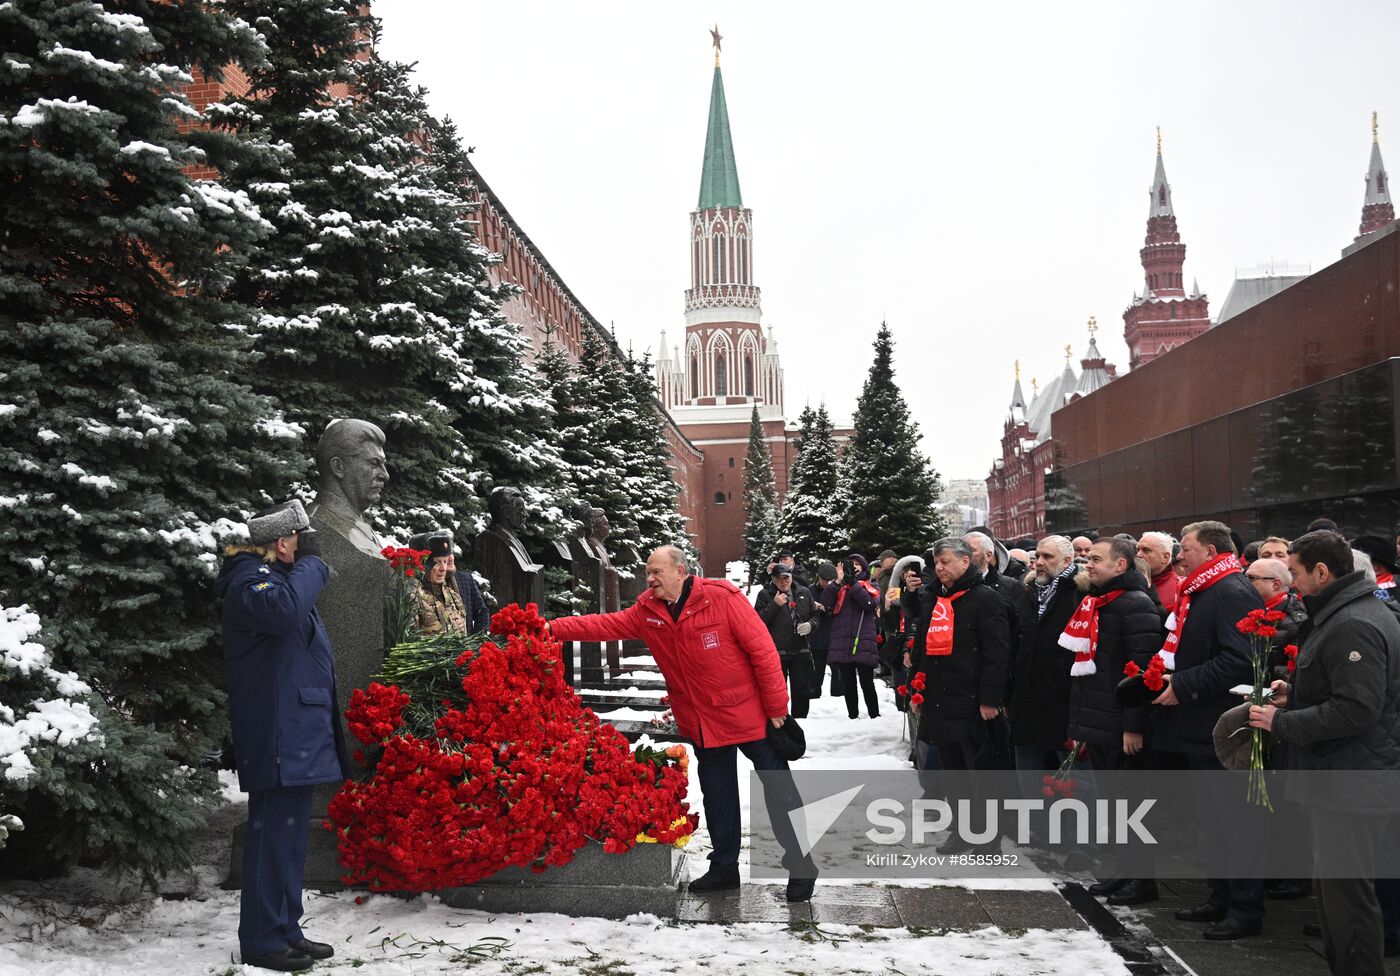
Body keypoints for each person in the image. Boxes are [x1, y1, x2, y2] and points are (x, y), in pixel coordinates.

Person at [548, 546, 817, 902]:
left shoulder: (721, 598)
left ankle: (800, 864)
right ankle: (723, 868)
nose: (650, 579)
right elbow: (604, 625)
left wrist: (776, 706)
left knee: (778, 788)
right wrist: (551, 628)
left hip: (748, 713)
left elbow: (762, 649)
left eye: (657, 571)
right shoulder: (649, 611)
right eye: (648, 572)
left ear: (681, 571)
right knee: (718, 793)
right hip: (703, 720)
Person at [1250, 530, 1400, 976]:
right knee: (1339, 896)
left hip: (1351, 781)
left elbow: (1355, 709)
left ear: (1322, 571)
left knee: (1348, 899)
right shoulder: (1344, 613)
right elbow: (1341, 689)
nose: (1290, 582)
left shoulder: (1354, 621)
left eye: (1293, 573)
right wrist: (1292, 695)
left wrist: (1282, 722)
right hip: (1345, 776)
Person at [215, 500, 349, 973]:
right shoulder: (250, 580)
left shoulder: (274, 579)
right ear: (281, 541)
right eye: (299, 541)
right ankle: (262, 940)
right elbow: (283, 612)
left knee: (288, 837)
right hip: (276, 729)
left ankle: (285, 928)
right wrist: (312, 564)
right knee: (272, 834)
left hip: (293, 727)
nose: (303, 550)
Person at [1152, 520, 1266, 940]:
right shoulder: (1203, 589)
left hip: (1221, 726)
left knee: (1236, 822)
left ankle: (1245, 909)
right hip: (1201, 725)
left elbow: (1238, 660)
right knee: (1215, 822)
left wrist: (1182, 685)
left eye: (1186, 547)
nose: (1181, 555)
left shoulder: (1230, 591)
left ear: (1212, 549)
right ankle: (1221, 897)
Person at [1064, 537, 1165, 906]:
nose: (1087, 564)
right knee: (1115, 804)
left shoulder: (1134, 604)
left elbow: (1143, 672)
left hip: (1122, 724)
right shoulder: (1099, 602)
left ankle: (1142, 879)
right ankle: (1122, 872)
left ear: (1120, 566)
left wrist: (1133, 725)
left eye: (1096, 559)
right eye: (1088, 559)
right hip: (1102, 720)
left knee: (1133, 806)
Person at [908, 537, 1011, 852]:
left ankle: (987, 838)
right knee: (954, 774)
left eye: (946, 562)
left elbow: (998, 654)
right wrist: (917, 689)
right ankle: (962, 832)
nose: (939, 568)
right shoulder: (934, 598)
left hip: (973, 703)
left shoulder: (985, 599)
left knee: (981, 775)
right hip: (940, 700)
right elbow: (923, 648)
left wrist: (991, 699)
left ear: (965, 562)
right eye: (937, 563)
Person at [966, 530, 1034, 771]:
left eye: (971, 550)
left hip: (1001, 685)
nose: (965, 555)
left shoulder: (1012, 588)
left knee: (999, 753)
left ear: (988, 554)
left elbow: (1021, 637)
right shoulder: (950, 590)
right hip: (966, 687)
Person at [821, 553, 881, 719]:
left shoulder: (870, 584)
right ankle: (852, 716)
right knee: (848, 683)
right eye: (850, 564)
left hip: (863, 639)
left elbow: (869, 603)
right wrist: (838, 582)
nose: (853, 567)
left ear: (864, 567)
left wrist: (853, 583)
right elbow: (825, 604)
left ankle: (875, 716)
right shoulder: (838, 586)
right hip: (842, 640)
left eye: (857, 564)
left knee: (867, 682)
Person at [755, 564, 816, 719]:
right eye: (779, 579)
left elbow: (815, 616)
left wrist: (811, 625)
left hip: (801, 650)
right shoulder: (765, 595)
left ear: (791, 576)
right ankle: (782, 722)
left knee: (801, 691)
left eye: (786, 577)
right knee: (779, 692)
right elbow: (758, 622)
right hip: (777, 652)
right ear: (773, 580)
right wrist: (774, 605)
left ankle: (802, 722)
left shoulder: (804, 592)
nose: (783, 582)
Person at [408, 532, 469, 636]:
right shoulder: (413, 598)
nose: (443, 568)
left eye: (445, 562)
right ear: (423, 564)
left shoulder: (454, 596)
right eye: (437, 562)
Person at [807, 561, 843, 698]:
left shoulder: (839, 589)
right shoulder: (810, 590)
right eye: (824, 580)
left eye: (830, 580)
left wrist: (827, 609)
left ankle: (838, 699)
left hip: (835, 638)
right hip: (816, 639)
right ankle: (814, 698)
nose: (827, 584)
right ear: (818, 577)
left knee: (838, 675)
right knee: (815, 676)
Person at [1135, 531, 1179, 614]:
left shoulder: (1179, 588)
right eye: (1137, 549)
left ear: (1165, 557)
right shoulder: (1127, 582)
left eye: (1146, 550)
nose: (1138, 554)